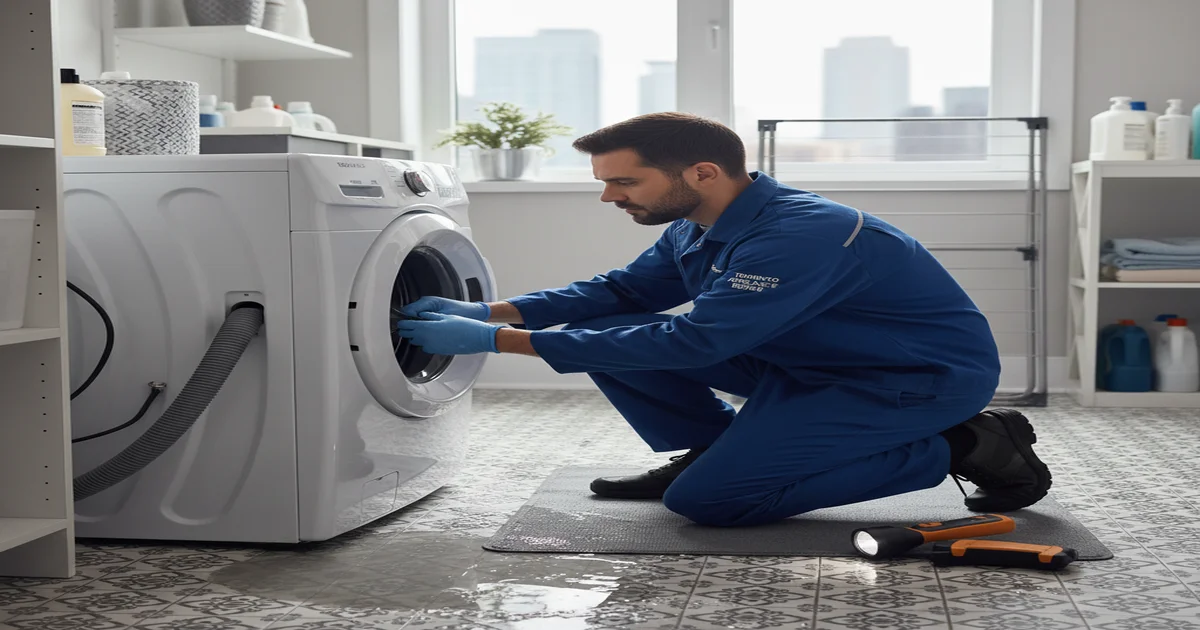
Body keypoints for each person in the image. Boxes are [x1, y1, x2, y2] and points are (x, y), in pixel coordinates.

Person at [395, 112, 1051, 528]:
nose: (607, 196)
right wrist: (490, 310)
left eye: (624, 182)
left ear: (702, 172)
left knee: (708, 505)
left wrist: (497, 341)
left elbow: (696, 340)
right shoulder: (696, 222)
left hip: (907, 380)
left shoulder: (801, 234)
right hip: (799, 359)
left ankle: (967, 443)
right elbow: (625, 291)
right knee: (603, 342)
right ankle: (708, 450)